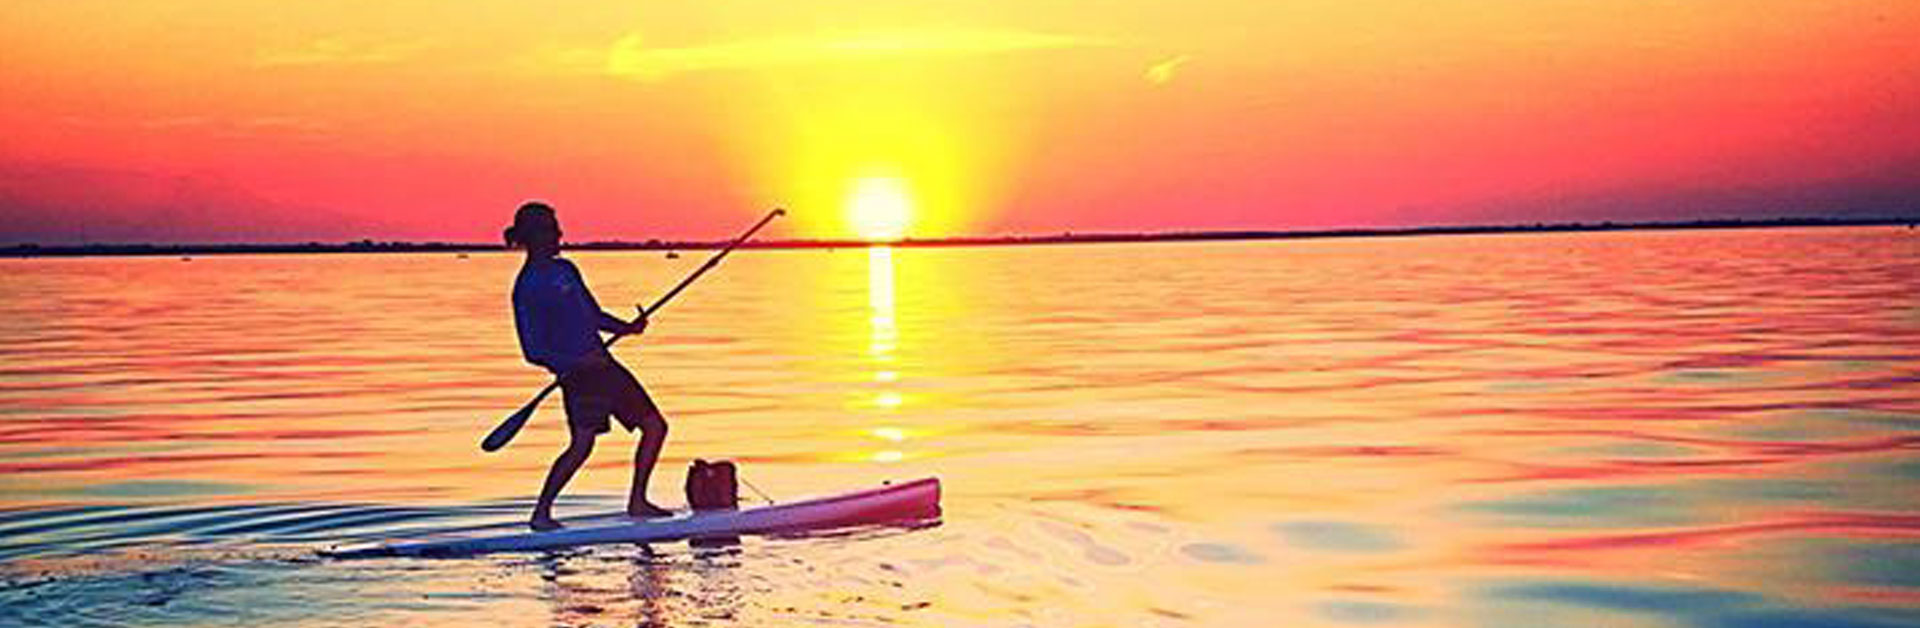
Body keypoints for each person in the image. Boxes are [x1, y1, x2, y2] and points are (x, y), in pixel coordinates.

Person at [503, 201, 673, 531]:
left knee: (655, 427)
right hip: (579, 378)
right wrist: (574, 362)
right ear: (533, 236)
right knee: (582, 446)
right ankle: (541, 514)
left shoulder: (567, 270)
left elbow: (593, 316)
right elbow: (533, 350)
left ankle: (638, 502)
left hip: (606, 367)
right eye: (552, 229)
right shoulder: (527, 287)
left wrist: (627, 327)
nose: (560, 234)